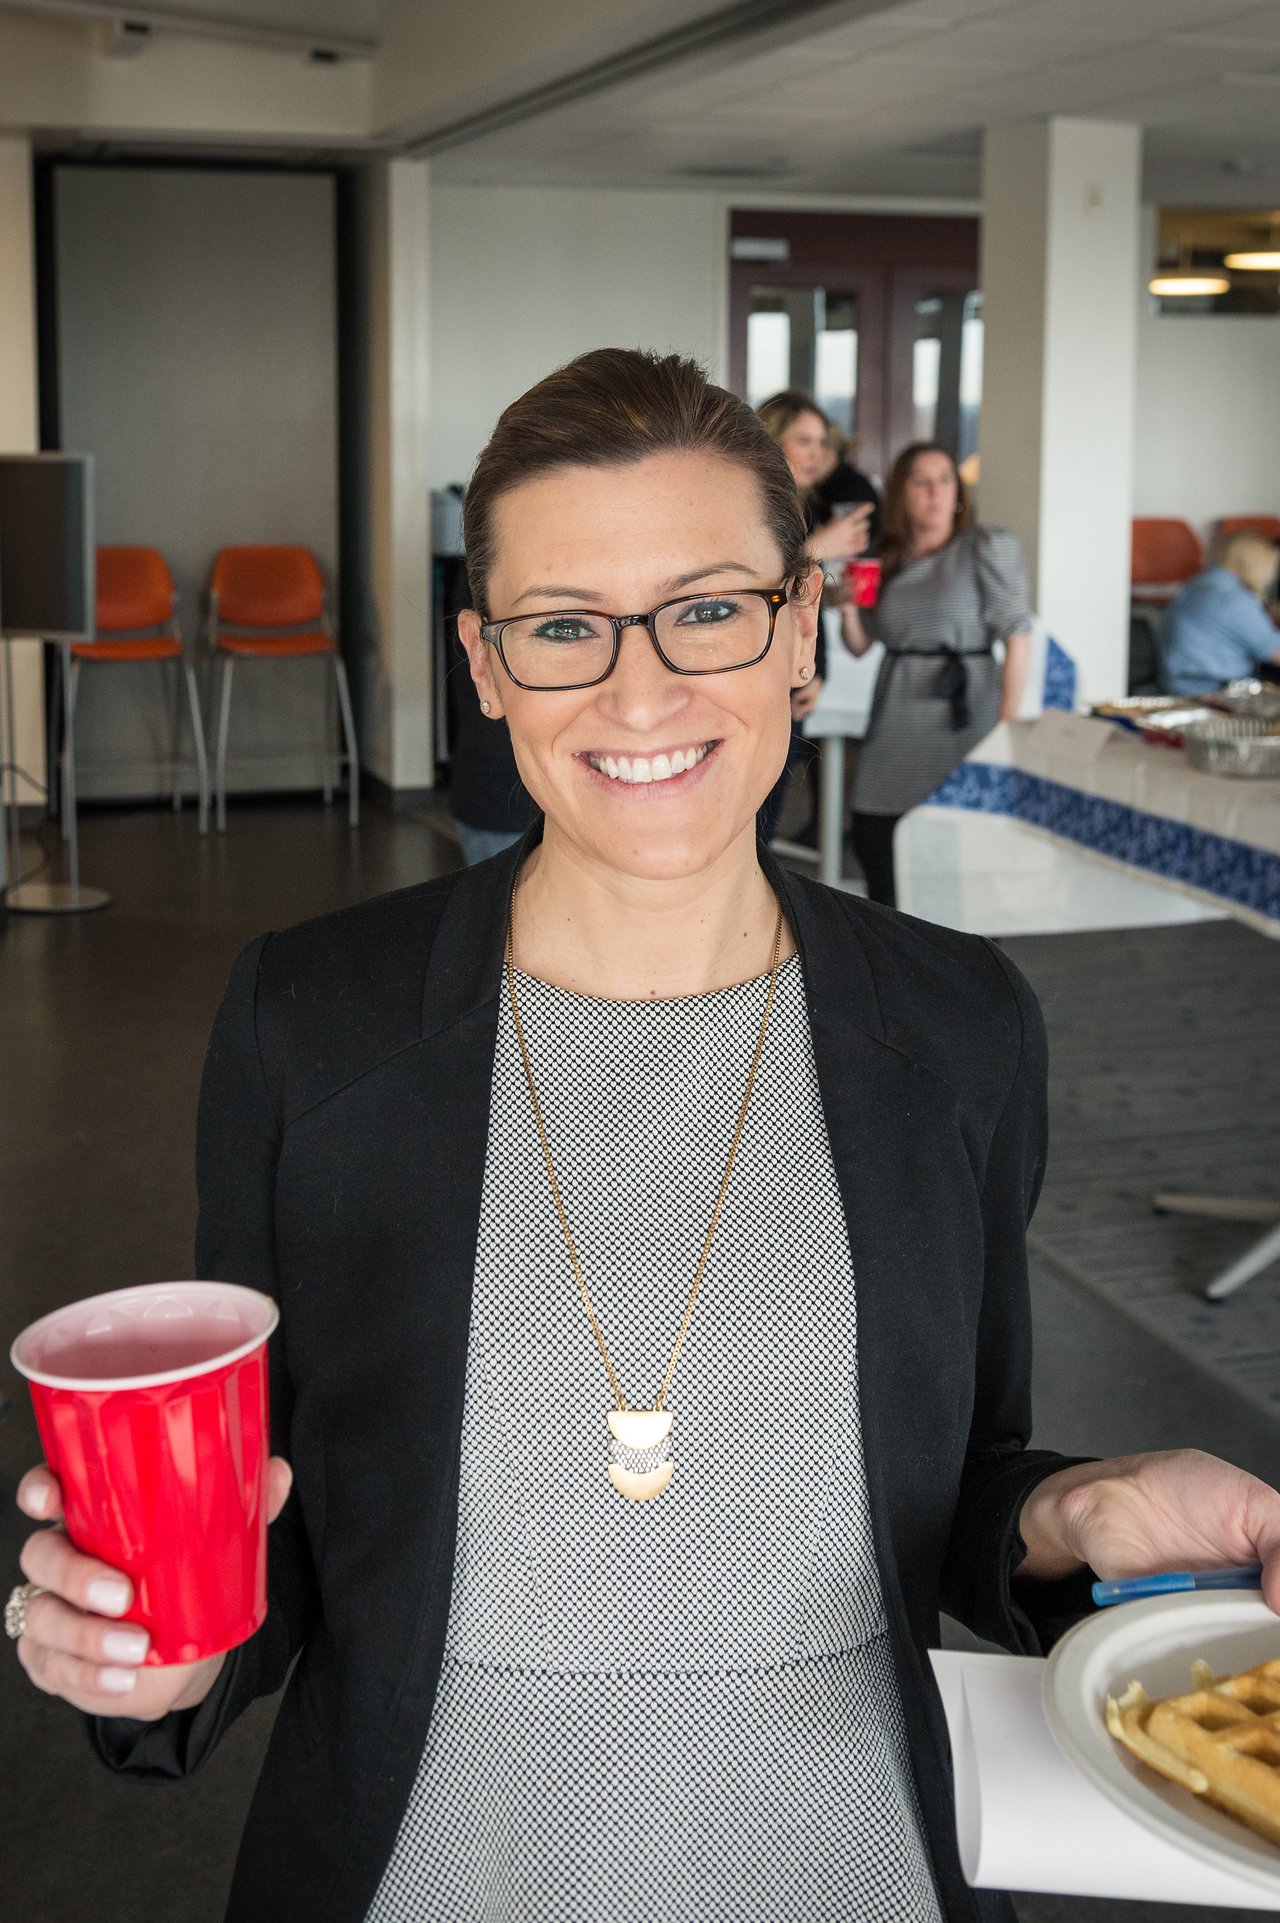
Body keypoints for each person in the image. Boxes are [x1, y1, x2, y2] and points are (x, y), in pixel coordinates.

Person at [11, 348, 1280, 1923]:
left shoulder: (958, 1026)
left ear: (801, 634)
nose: (639, 688)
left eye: (707, 607)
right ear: (484, 665)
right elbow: (261, 1521)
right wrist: (160, 1657)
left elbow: (947, 1486)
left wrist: (1069, 1515)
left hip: (862, 1869)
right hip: (429, 1874)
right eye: (563, 628)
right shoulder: (310, 1021)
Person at [839, 441, 1032, 908]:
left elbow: (1018, 637)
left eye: (945, 480)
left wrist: (1005, 731)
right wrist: (847, 605)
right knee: (874, 834)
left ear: (959, 492)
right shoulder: (883, 558)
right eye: (921, 482)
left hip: (964, 711)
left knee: (960, 847)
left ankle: (967, 961)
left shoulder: (986, 546)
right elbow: (862, 645)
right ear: (902, 493)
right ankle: (894, 951)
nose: (935, 492)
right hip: (897, 709)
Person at [756, 390, 873, 841]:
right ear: (770, 438)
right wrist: (823, 546)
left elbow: (803, 603)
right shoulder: (756, 502)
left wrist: (812, 671)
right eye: (803, 440)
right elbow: (752, 586)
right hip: (756, 669)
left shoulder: (805, 505)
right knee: (752, 812)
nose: (818, 454)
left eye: (823, 443)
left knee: (769, 808)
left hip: (789, 675)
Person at [1159, 530, 1280, 696]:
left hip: (1180, 684)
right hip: (1213, 692)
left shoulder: (1196, 584)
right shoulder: (1234, 599)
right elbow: (1275, 652)